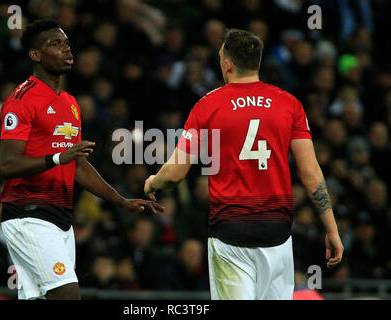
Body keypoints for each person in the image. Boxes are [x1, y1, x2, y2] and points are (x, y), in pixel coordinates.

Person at [144, 29, 344, 300]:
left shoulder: (208, 106)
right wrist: (331, 228)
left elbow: (175, 174)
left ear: (227, 63)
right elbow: (310, 174)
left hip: (231, 236)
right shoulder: (289, 105)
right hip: (278, 237)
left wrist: (153, 182)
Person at [0, 19, 163, 300]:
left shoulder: (70, 103)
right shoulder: (21, 99)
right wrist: (58, 157)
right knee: (68, 295)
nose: (65, 49)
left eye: (66, 43)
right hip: (29, 214)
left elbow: (78, 165)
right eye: (55, 44)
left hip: (61, 217)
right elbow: (8, 165)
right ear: (35, 55)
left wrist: (120, 201)